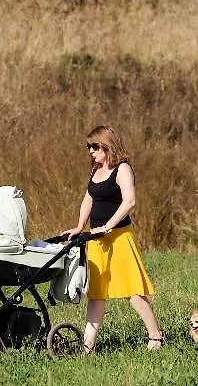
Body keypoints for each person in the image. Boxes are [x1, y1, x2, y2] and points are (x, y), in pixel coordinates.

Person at [61, 126, 164, 353]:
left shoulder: (122, 169)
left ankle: (156, 336)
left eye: (94, 146)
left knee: (134, 292)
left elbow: (129, 201)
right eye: (88, 147)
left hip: (119, 238)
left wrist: (108, 227)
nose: (90, 151)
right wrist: (80, 227)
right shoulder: (95, 170)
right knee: (97, 295)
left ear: (107, 145)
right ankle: (87, 347)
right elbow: (88, 199)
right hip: (96, 240)